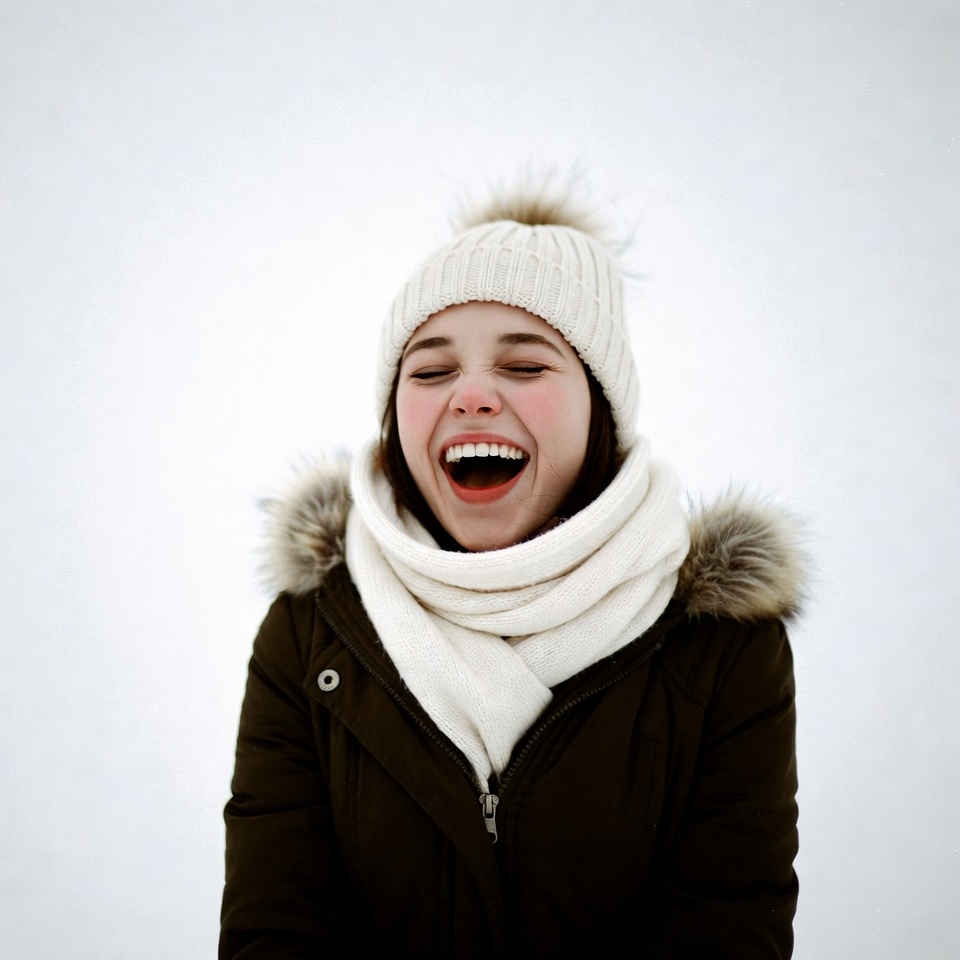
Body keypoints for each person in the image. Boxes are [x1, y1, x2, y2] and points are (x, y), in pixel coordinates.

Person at [219, 179, 804, 959]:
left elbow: (727, 925)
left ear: (601, 408)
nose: (470, 396)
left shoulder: (722, 646)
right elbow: (278, 928)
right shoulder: (313, 634)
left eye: (525, 367)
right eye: (428, 372)